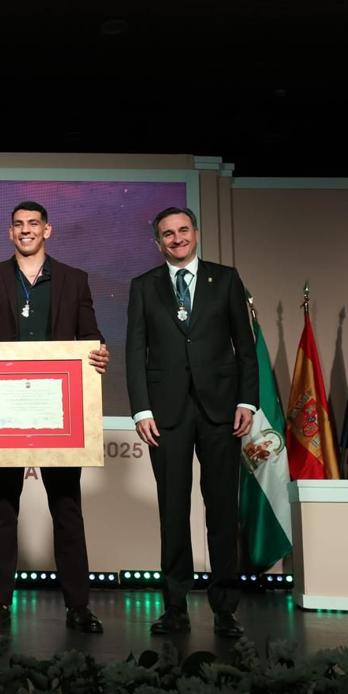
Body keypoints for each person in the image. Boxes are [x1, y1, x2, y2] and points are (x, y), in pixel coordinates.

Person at [0, 201, 110, 634]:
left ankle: (78, 606)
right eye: (18, 225)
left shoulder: (74, 279)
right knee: (2, 510)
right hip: (3, 413)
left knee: (66, 509)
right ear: (10, 233)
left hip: (59, 413)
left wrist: (99, 352)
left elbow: (91, 337)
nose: (25, 231)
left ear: (47, 231)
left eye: (33, 224)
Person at [126, 206, 257, 638]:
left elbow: (246, 346)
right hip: (165, 417)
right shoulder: (143, 286)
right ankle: (175, 607)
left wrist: (248, 402)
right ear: (157, 241)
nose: (177, 238)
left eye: (183, 230)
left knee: (222, 511)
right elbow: (135, 351)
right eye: (168, 233)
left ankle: (225, 609)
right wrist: (142, 410)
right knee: (173, 512)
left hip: (222, 412)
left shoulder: (227, 279)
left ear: (196, 233)